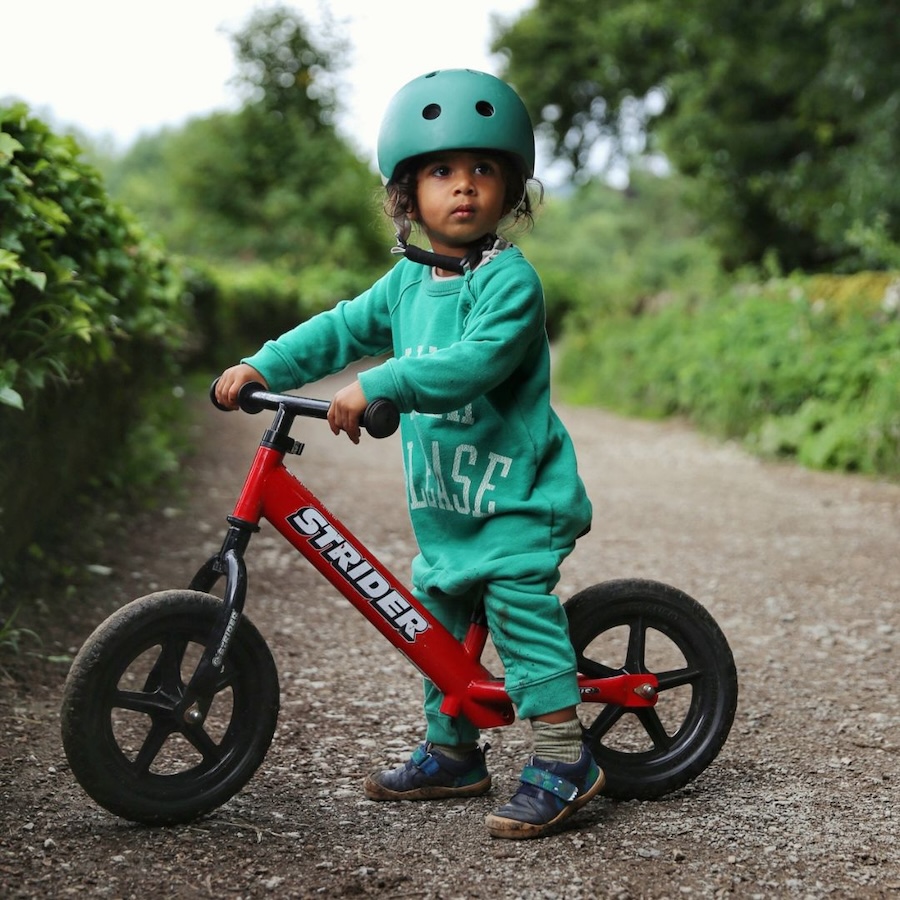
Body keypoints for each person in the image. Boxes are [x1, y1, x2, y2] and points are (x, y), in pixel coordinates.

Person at [215, 68, 603, 839]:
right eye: (440, 172)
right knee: (435, 625)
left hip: (517, 499)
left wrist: (384, 379)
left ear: (511, 188)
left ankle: (565, 757)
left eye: (483, 170)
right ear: (407, 194)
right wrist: (265, 366)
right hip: (449, 509)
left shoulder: (509, 284)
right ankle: (452, 752)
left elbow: (476, 363)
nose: (463, 188)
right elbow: (337, 330)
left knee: (517, 610)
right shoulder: (405, 285)